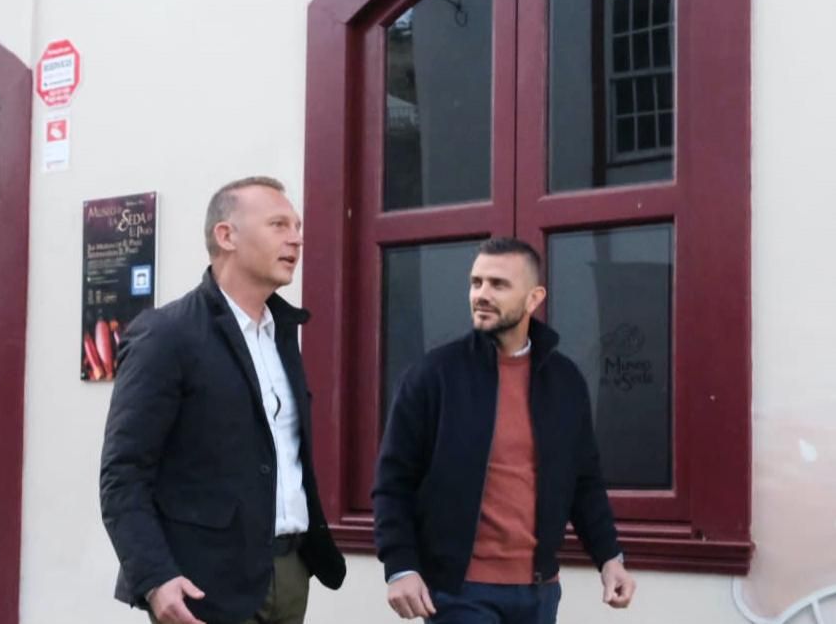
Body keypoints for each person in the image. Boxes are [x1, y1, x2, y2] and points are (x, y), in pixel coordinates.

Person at [100, 176, 346, 624]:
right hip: (203, 582)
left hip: (291, 573)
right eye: (278, 224)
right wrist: (155, 577)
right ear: (226, 235)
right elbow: (123, 475)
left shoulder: (282, 334)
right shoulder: (166, 335)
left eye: (298, 226)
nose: (296, 238)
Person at [373, 237, 636, 623]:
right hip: (459, 591)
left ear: (534, 298)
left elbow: (584, 483)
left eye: (498, 285)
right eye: (476, 282)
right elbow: (393, 483)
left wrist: (610, 558)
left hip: (540, 592)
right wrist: (401, 566)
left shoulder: (564, 381)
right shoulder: (433, 377)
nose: (481, 294)